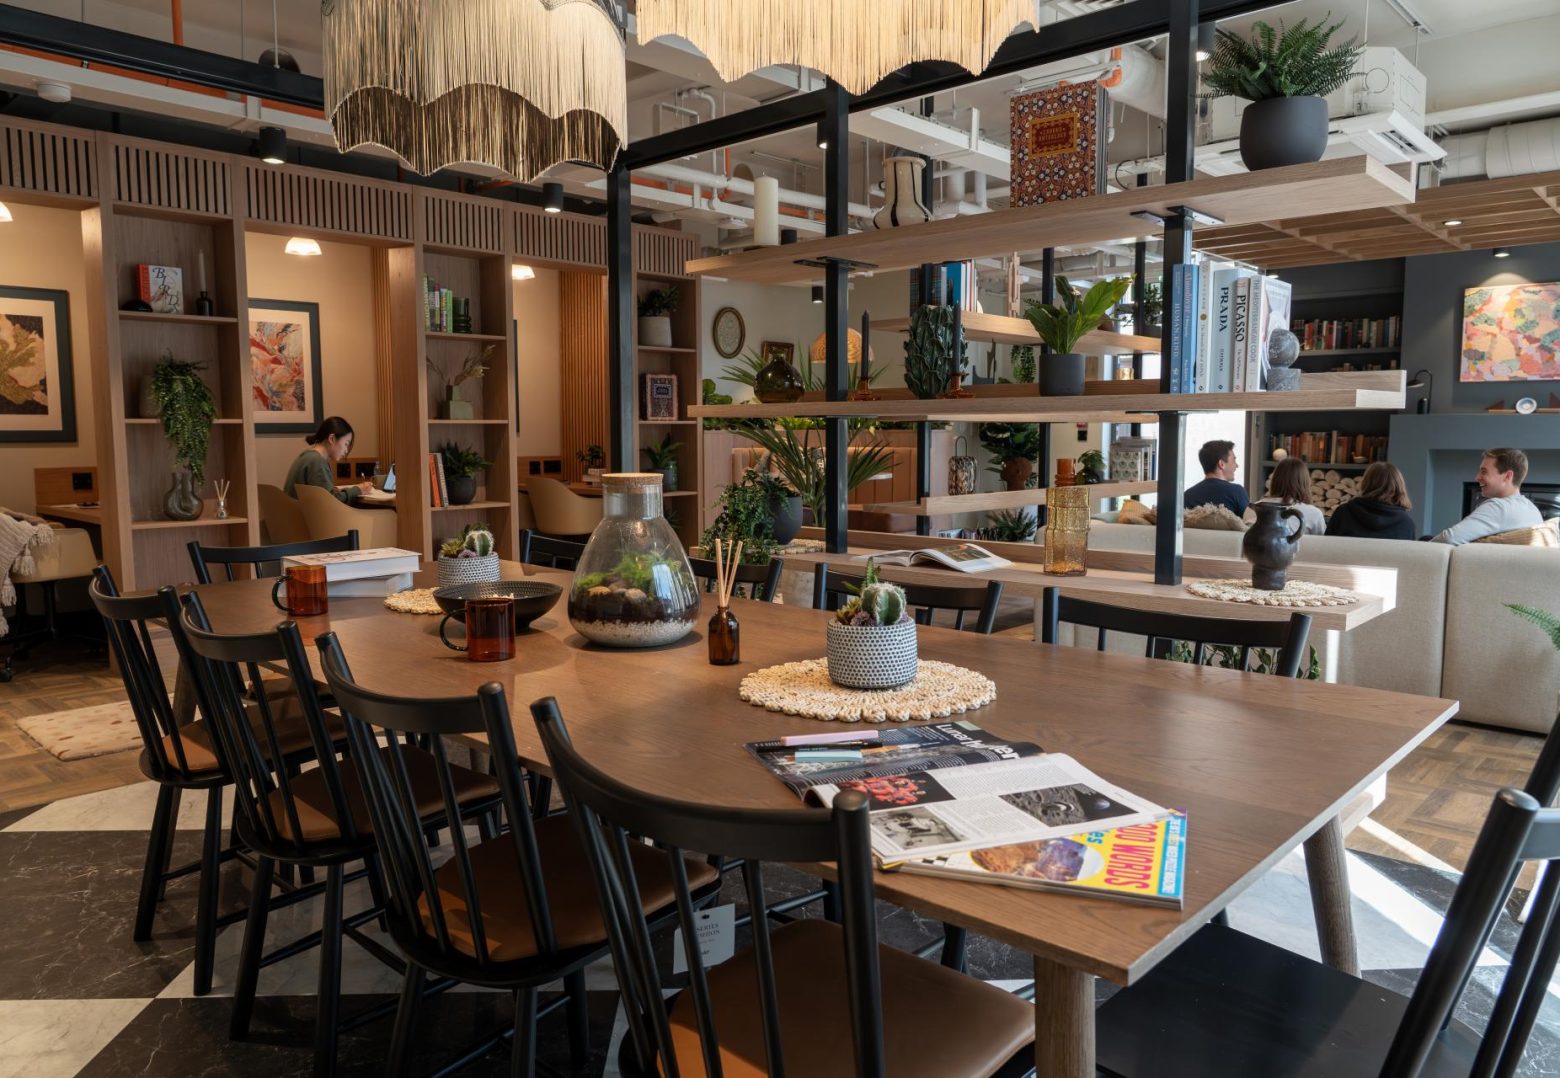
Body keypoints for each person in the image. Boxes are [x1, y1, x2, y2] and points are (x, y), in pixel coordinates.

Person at [1431, 447, 1542, 545]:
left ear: (1507, 476)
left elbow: (1449, 538)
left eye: (1484, 471)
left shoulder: (1498, 507)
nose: (1477, 477)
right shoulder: (1533, 510)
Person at [284, 416, 374, 504]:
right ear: (332, 439)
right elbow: (331, 502)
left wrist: (340, 491)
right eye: (346, 444)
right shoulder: (316, 461)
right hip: (304, 514)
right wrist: (358, 490)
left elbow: (324, 495)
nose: (346, 450)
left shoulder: (308, 456)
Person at [1325, 462, 1416, 541]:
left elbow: (1326, 549)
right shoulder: (1406, 524)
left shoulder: (1343, 513)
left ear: (1365, 483)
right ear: (1399, 487)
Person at [1247, 457, 1326, 535]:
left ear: (1274, 480)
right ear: (1305, 483)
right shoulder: (1314, 514)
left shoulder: (1253, 509)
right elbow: (1323, 542)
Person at [1183, 439, 1249, 517]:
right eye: (1234, 460)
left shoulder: (1186, 496)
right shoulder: (1237, 492)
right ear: (1221, 464)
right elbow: (1250, 522)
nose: (1237, 465)